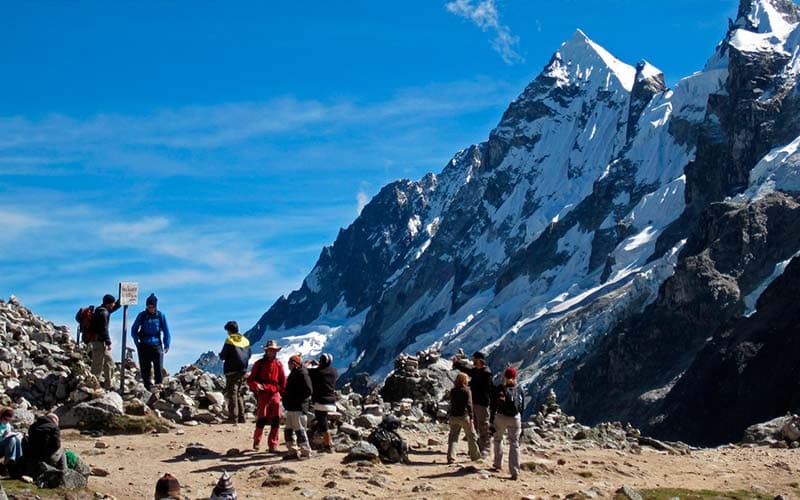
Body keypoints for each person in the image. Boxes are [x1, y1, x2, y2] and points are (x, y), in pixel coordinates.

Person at [246, 340, 286, 452]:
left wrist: (283, 393)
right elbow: (250, 380)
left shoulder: (278, 364)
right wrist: (256, 386)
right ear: (266, 351)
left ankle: (273, 444)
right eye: (270, 350)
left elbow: (283, 382)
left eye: (274, 350)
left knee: (276, 420)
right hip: (263, 394)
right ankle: (257, 441)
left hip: (275, 394)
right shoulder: (259, 364)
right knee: (261, 419)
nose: (272, 352)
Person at [452, 350, 493, 454]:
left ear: (479, 360)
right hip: (474, 402)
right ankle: (476, 449)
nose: (473, 360)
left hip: (482, 404)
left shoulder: (487, 373)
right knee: (474, 427)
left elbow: (487, 389)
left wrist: (471, 386)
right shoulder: (477, 371)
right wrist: (457, 363)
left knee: (483, 426)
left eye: (474, 359)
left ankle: (486, 449)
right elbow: (466, 370)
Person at [131, 293, 171, 390]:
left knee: (158, 368)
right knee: (145, 370)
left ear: (155, 306)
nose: (150, 308)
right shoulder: (142, 316)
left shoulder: (160, 316)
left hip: (156, 345)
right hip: (144, 345)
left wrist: (167, 344)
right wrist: (137, 343)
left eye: (152, 306)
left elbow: (166, 331)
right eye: (148, 306)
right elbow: (134, 330)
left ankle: (158, 388)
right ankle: (147, 388)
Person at [490, 367, 524, 480]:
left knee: (498, 439)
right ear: (515, 377)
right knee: (514, 443)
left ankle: (497, 464)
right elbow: (521, 406)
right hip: (515, 418)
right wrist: (520, 419)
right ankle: (515, 471)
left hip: (501, 417)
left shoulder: (500, 388)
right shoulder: (519, 389)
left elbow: (493, 405)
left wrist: (491, 419)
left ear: (505, 377)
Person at [219, 321, 251, 424]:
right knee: (239, 393)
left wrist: (221, 356)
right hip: (242, 370)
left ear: (229, 330)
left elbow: (223, 355)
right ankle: (242, 417)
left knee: (232, 393)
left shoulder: (229, 340)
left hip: (231, 370)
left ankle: (233, 417)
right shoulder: (245, 340)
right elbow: (249, 354)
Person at [282, 354, 312, 459]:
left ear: (294, 364)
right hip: (292, 407)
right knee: (288, 430)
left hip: (298, 406)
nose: (288, 365)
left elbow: (308, 390)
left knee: (300, 430)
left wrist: (297, 399)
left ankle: (306, 452)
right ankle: (292, 451)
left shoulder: (302, 374)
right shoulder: (296, 373)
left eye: (289, 363)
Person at [305, 353, 337, 453]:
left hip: (321, 402)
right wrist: (319, 364)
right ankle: (325, 442)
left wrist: (308, 362)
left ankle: (328, 445)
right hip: (331, 401)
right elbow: (324, 368)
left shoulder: (316, 372)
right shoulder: (333, 371)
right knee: (321, 420)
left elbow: (303, 370)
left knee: (322, 422)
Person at [446, 372, 480, 464]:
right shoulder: (467, 390)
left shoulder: (453, 391)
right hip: (464, 416)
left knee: (453, 437)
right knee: (471, 436)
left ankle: (451, 457)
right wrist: (472, 417)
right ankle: (475, 457)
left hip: (453, 416)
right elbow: (469, 405)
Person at [88, 294, 120, 389]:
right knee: (98, 363)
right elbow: (104, 329)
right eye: (113, 303)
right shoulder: (103, 314)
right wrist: (108, 342)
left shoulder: (101, 310)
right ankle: (93, 385)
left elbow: (114, 308)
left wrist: (120, 300)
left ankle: (107, 385)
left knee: (108, 362)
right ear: (109, 304)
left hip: (98, 341)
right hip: (100, 342)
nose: (114, 305)